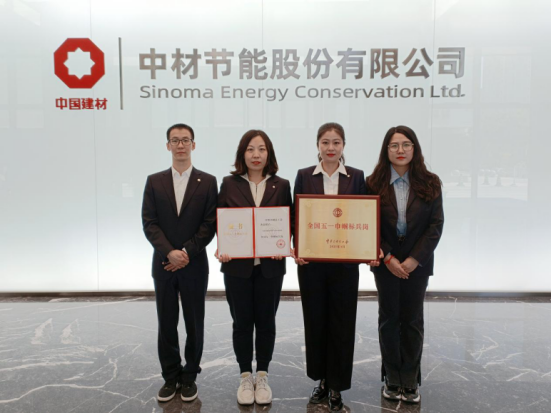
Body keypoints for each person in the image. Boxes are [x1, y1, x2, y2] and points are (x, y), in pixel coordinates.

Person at [293, 122, 379, 412]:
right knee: (315, 322)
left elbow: (364, 216)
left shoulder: (357, 176)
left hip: (344, 264)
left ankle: (337, 386)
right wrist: (296, 247)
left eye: (336, 142)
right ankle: (321, 380)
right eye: (325, 142)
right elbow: (295, 216)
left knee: (342, 324)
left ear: (343, 146)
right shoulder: (304, 175)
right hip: (311, 264)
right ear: (318, 145)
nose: (331, 148)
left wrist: (368, 247)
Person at [366, 125, 444, 404]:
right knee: (389, 319)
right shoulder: (372, 183)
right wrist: (387, 257)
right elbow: (368, 224)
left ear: (414, 148)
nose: (400, 150)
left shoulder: (431, 182)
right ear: (386, 150)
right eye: (394, 145)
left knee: (412, 320)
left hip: (417, 264)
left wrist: (413, 260)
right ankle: (391, 378)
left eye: (406, 145)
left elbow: (435, 226)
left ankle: (410, 380)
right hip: (385, 262)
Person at [142, 123, 217, 402]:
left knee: (194, 322)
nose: (181, 145)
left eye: (186, 140)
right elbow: (149, 223)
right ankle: (170, 376)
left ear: (193, 145)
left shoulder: (207, 181)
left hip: (194, 264)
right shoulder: (154, 181)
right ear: (168, 146)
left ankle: (189, 376)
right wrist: (169, 253)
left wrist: (184, 253)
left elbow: (209, 224)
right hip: (163, 264)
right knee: (166, 322)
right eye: (175, 140)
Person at [216, 130, 292, 406]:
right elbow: (220, 221)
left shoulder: (281, 185)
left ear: (269, 153)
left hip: (270, 267)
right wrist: (222, 246)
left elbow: (288, 221)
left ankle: (263, 375)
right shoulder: (229, 183)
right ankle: (245, 376)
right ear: (242, 154)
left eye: (261, 149)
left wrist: (284, 245)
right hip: (237, 267)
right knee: (242, 323)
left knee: (266, 322)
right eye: (250, 149)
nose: (256, 154)